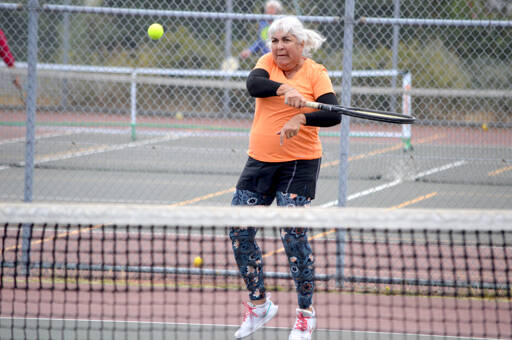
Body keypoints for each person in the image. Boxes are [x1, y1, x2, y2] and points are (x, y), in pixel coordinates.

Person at [230, 16, 341, 340]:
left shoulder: (316, 72)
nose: (278, 47)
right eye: (274, 41)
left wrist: (302, 116)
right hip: (259, 163)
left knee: (293, 234)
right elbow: (253, 85)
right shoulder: (266, 64)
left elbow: (332, 113)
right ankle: (259, 305)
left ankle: (305, 315)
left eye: (285, 41)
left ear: (301, 43)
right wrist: (283, 88)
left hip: (299, 164)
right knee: (239, 230)